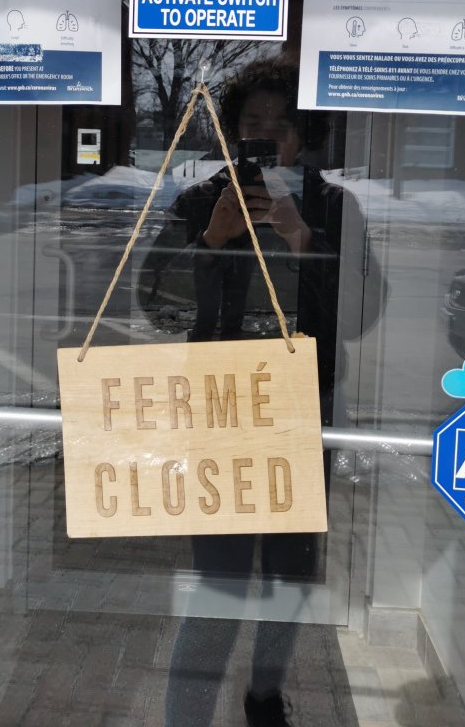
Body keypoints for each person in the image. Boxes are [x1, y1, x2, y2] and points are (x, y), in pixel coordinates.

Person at [138, 57, 385, 727]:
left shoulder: (333, 206)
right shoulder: (201, 201)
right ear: (231, 134)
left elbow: (363, 315)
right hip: (220, 409)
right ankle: (186, 715)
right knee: (219, 577)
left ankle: (265, 698)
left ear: (303, 137)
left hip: (304, 407)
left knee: (289, 572)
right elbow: (155, 303)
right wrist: (212, 240)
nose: (266, 138)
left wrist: (303, 238)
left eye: (281, 126)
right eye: (252, 124)